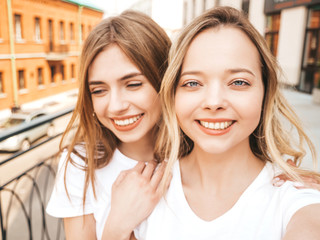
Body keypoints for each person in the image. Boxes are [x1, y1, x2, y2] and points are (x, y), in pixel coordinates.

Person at [131, 6, 320, 239]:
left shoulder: (297, 196)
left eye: (238, 82)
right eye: (192, 83)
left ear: (265, 92)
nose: (214, 102)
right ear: (173, 95)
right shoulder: (142, 190)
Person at [46, 10, 171, 240]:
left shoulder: (199, 156)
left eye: (133, 84)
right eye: (99, 90)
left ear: (165, 79)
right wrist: (117, 226)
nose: (115, 106)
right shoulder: (80, 163)